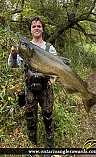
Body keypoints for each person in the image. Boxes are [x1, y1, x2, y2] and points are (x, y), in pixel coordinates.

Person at [8, 17, 57, 156]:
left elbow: (57, 68)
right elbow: (13, 65)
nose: (36, 28)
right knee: (30, 116)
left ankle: (49, 141)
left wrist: (57, 77)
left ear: (42, 29)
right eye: (34, 26)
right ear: (30, 30)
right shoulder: (24, 47)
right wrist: (13, 54)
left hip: (46, 89)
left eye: (39, 26)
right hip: (29, 89)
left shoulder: (49, 48)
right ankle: (32, 141)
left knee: (48, 115)